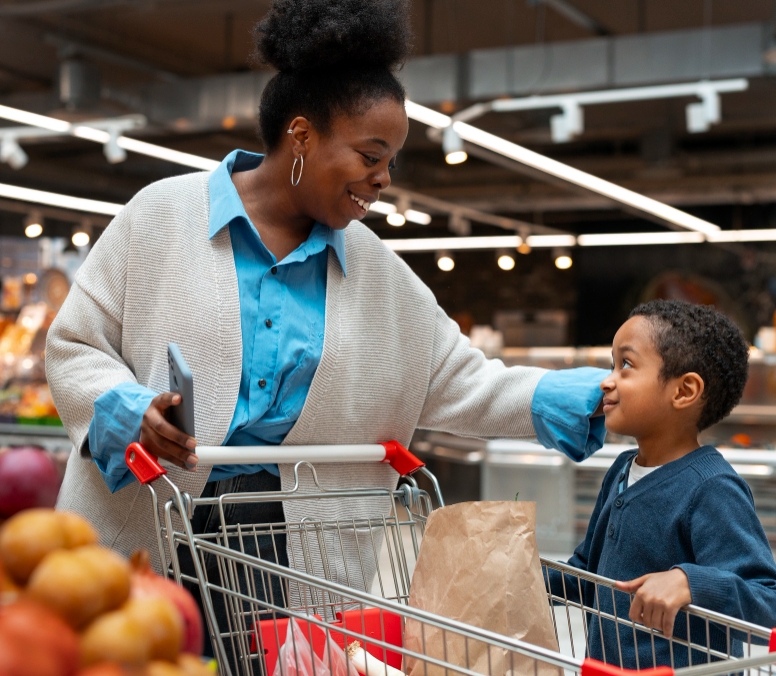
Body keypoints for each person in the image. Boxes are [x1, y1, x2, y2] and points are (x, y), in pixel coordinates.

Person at [45, 0, 605, 656]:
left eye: (391, 159)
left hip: (284, 551)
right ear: (303, 136)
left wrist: (583, 396)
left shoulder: (378, 272)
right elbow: (76, 344)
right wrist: (130, 412)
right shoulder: (161, 216)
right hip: (147, 511)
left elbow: (459, 379)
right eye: (371, 154)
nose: (384, 179)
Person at [554, 300, 776, 668]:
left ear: (684, 391)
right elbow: (587, 572)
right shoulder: (622, 470)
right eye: (611, 365)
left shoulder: (711, 489)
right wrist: (519, 573)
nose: (607, 380)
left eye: (626, 365)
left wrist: (690, 583)